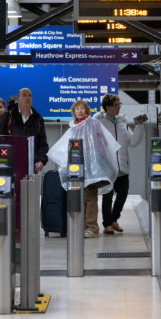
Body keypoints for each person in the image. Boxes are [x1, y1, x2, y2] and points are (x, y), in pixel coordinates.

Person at [48, 99, 120, 239]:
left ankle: (92, 227)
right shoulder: (74, 127)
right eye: (77, 109)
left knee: (90, 196)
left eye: (82, 108)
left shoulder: (93, 123)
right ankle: (81, 226)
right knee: (79, 196)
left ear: (87, 111)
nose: (80, 111)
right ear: (73, 112)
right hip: (79, 165)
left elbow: (102, 142)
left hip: (93, 165)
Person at [93, 94, 147, 235]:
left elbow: (133, 142)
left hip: (122, 167)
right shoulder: (99, 122)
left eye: (119, 104)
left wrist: (139, 127)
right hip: (107, 167)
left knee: (122, 193)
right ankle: (107, 225)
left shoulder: (122, 122)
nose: (119, 107)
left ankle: (114, 219)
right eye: (116, 105)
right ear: (108, 107)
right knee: (107, 195)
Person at [0, 88, 49, 173]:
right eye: (24, 95)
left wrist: (41, 160)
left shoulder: (38, 119)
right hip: (10, 165)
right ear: (18, 100)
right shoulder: (8, 117)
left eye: (30, 96)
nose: (27, 98)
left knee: (29, 186)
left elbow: (43, 144)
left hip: (31, 166)